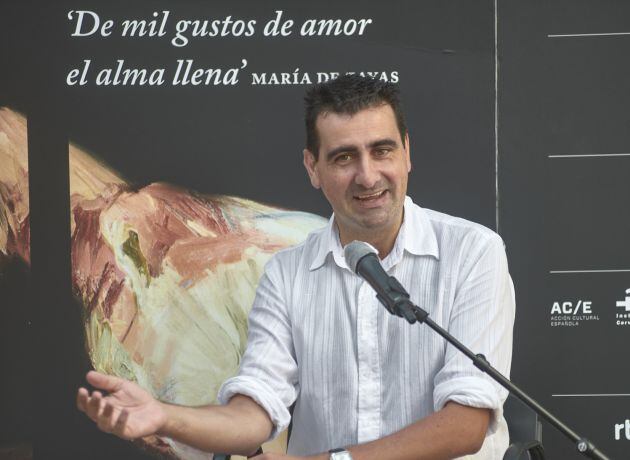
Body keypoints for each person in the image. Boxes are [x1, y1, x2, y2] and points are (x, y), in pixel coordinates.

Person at [77, 75, 515, 460]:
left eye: (381, 150)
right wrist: (162, 415)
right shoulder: (286, 273)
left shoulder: (473, 252)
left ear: (406, 153)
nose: (368, 175)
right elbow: (255, 412)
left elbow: (465, 424)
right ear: (313, 168)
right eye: (344, 158)